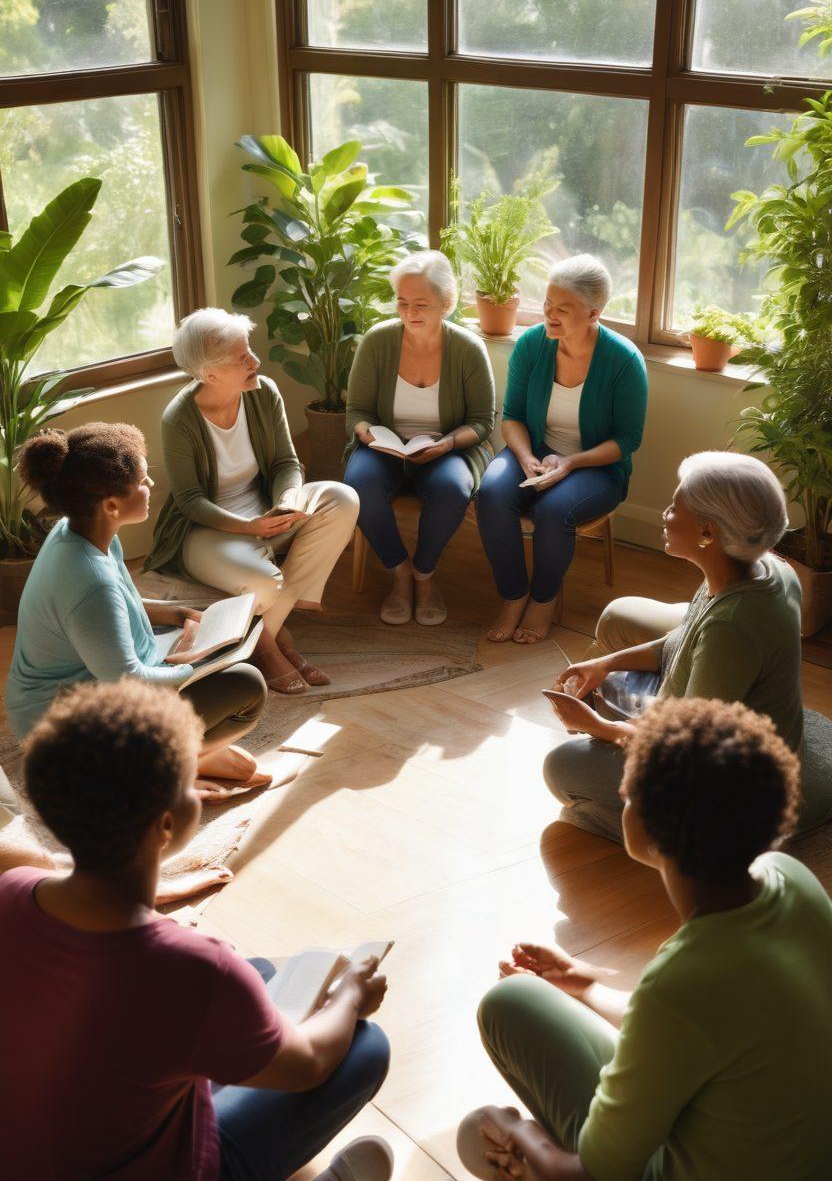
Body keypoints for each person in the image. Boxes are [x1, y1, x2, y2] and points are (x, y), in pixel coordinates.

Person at [0, 678, 392, 1180]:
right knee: (364, 1046)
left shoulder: (14, 890)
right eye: (190, 782)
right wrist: (350, 996)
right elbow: (309, 1064)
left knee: (258, 974)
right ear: (166, 826)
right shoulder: (192, 965)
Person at [458, 697, 832, 1181]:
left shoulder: (682, 980)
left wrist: (523, 1137)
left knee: (487, 1088)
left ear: (646, 826)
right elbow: (712, 1022)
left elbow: (598, 1171)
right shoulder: (790, 877)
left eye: (628, 791)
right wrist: (584, 985)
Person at [542, 449, 832, 844]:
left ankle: (685, 839)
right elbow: (680, 640)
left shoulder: (732, 629)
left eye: (674, 508)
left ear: (707, 533)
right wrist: (605, 665)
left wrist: (598, 727)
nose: (664, 513)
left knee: (561, 769)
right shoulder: (755, 565)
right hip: (722, 715)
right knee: (617, 619)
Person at [4, 422, 268, 798]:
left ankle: (174, 756)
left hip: (75, 695)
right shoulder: (89, 579)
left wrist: (176, 613)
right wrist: (193, 667)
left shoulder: (81, 532)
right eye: (143, 481)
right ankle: (154, 773)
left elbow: (116, 606)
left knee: (205, 656)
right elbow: (128, 680)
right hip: (65, 733)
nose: (151, 487)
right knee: (246, 686)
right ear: (111, 505)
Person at [145, 307, 359, 693]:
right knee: (263, 585)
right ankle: (270, 646)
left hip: (266, 511)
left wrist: (289, 500)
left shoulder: (264, 392)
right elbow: (190, 500)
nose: (255, 361)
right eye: (242, 358)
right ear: (209, 374)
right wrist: (248, 527)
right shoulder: (178, 419)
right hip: (207, 529)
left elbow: (285, 462)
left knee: (342, 498)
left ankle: (265, 640)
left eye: (250, 351)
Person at [476, 255, 647, 645]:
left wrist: (570, 463)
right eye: (548, 305)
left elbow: (626, 441)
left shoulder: (624, 360)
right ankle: (514, 594)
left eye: (562, 310)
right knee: (490, 494)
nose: (549, 316)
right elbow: (513, 416)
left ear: (593, 313)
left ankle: (543, 601)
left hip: (598, 468)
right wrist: (525, 458)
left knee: (553, 510)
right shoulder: (532, 344)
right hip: (533, 452)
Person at [344, 250, 496, 625]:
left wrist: (446, 444)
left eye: (422, 304)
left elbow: (481, 422)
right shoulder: (377, 342)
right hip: (384, 448)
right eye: (402, 302)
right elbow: (358, 410)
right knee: (358, 483)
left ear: (447, 303)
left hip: (445, 449)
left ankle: (425, 575)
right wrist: (365, 432)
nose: (410, 312)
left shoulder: (468, 348)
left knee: (453, 488)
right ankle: (400, 573)